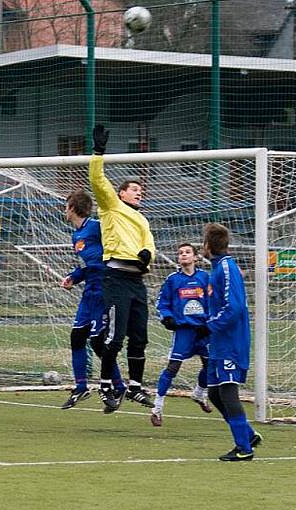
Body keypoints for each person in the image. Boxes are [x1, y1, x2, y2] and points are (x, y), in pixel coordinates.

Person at [89, 124, 156, 413]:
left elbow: (149, 245)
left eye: (141, 189)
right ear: (121, 193)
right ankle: (105, 385)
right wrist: (98, 152)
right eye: (134, 189)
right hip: (115, 277)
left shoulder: (143, 219)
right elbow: (97, 179)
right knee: (115, 336)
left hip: (136, 281)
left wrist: (146, 255)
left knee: (140, 336)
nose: (139, 192)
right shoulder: (111, 206)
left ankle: (135, 387)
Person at [59, 190, 125, 410]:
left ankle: (118, 386)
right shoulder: (75, 235)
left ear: (73, 208)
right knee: (77, 337)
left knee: (98, 343)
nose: (64, 210)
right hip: (89, 293)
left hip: (104, 291)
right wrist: (73, 277)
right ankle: (81, 387)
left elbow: (113, 251)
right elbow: (85, 266)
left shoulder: (97, 227)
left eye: (67, 205)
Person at [202, 223, 262, 461]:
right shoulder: (216, 269)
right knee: (215, 394)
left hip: (231, 341)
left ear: (208, 245)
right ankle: (248, 435)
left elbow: (234, 307)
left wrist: (209, 325)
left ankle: (244, 449)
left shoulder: (226, 268)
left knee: (228, 392)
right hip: (219, 342)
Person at [150, 242, 212, 426]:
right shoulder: (173, 280)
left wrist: (209, 323)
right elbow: (162, 303)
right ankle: (157, 408)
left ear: (195, 257)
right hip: (184, 331)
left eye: (187, 252)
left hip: (203, 331)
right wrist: (167, 317)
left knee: (210, 366)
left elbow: (213, 302)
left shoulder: (204, 277)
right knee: (172, 368)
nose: (183, 255)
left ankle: (199, 394)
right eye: (180, 253)